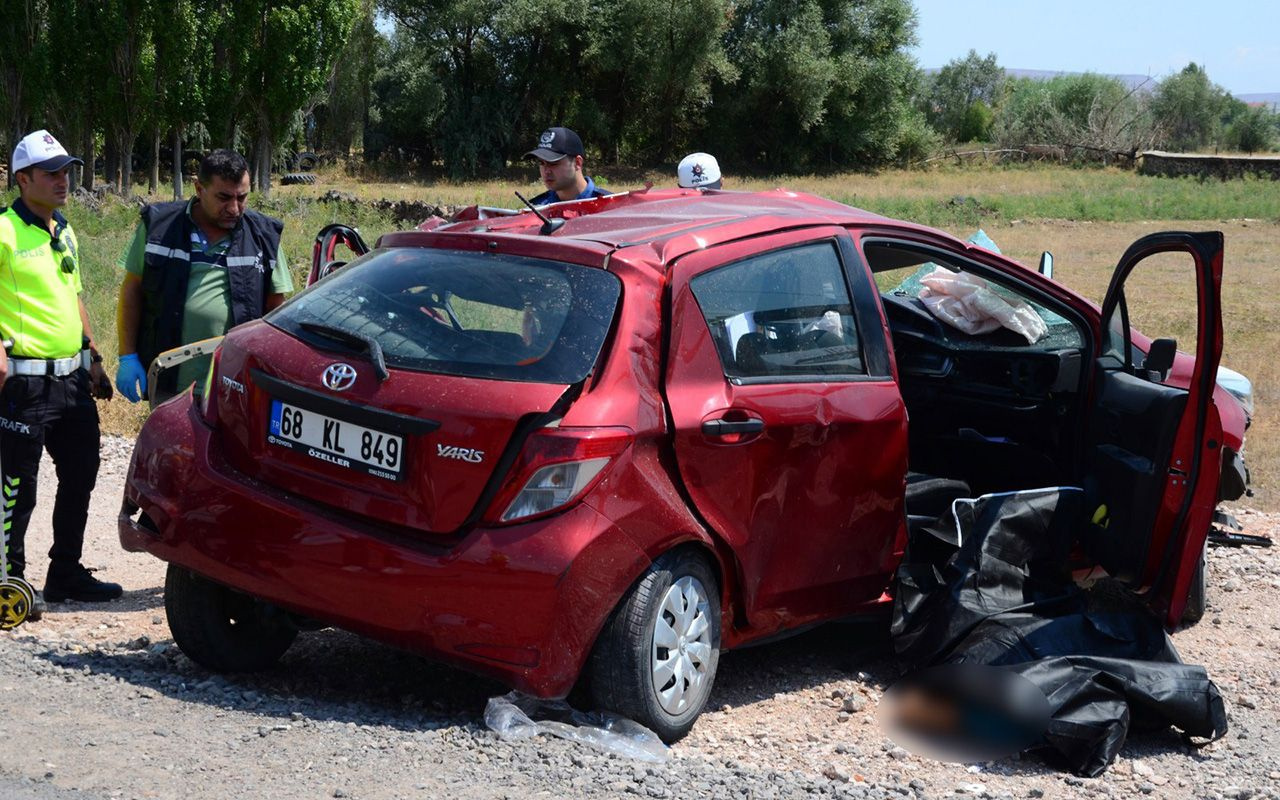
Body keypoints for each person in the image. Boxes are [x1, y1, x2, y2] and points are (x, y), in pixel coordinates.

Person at [0, 129, 120, 605]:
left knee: (82, 470)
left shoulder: (64, 229)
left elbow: (74, 296)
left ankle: (65, 572)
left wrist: (93, 355)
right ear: (22, 178)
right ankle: (10, 581)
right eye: (51, 173)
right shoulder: (4, 230)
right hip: (24, 383)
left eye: (66, 171)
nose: (62, 180)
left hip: (71, 379)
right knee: (18, 486)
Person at [115, 149, 293, 403]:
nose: (234, 208)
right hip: (170, 382)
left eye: (242, 197)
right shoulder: (159, 227)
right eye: (224, 197)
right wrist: (128, 356)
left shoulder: (263, 237)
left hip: (235, 387)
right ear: (199, 189)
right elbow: (132, 290)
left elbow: (276, 308)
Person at [526, 127, 611, 205]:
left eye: (553, 163)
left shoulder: (609, 206)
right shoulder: (538, 208)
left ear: (577, 162)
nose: (546, 171)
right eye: (541, 163)